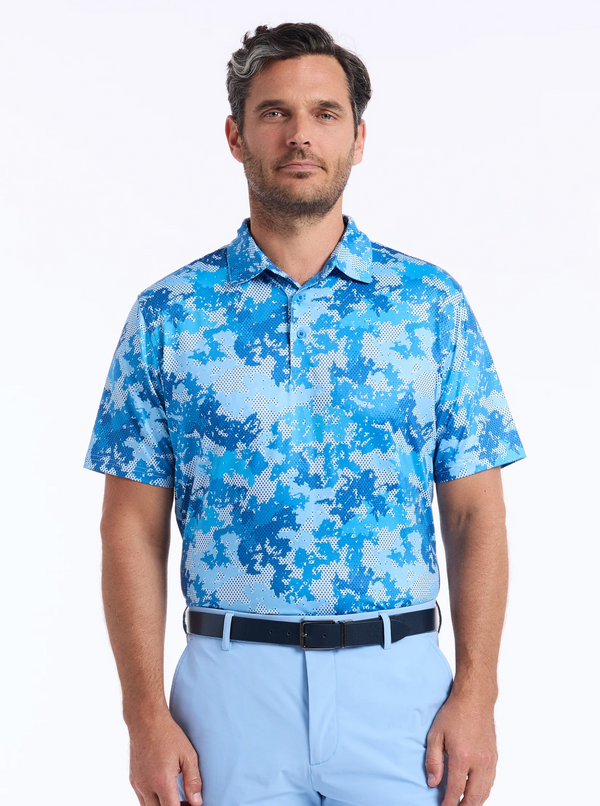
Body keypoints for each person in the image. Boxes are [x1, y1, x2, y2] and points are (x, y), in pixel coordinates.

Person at [84, 22, 526, 806]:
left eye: (325, 113)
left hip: (401, 693)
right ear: (235, 135)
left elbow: (474, 515)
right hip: (227, 697)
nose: (300, 135)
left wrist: (478, 694)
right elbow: (130, 529)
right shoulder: (169, 315)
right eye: (274, 112)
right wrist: (143, 716)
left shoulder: (430, 305)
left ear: (359, 138)